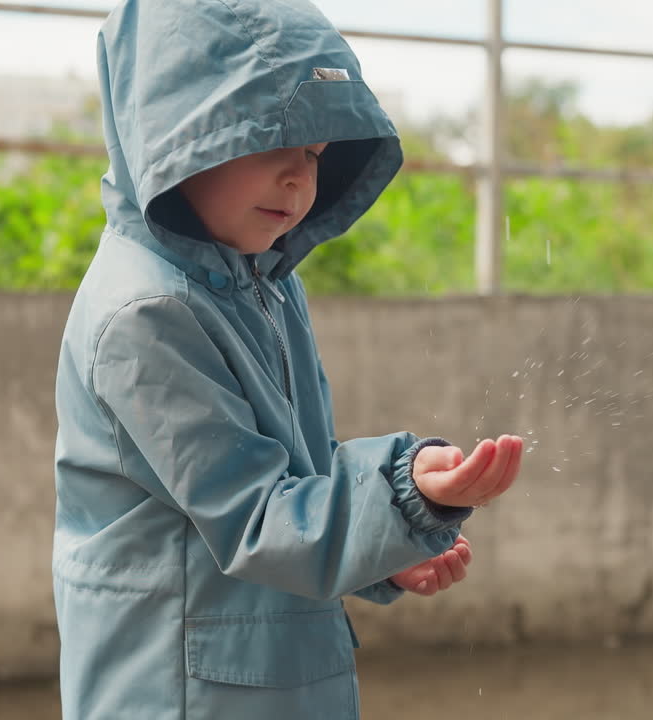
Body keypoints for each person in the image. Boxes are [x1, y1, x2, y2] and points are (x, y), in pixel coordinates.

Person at [52, 0, 524, 717]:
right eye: (268, 141)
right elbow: (256, 517)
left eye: (314, 154)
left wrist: (385, 549)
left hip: (264, 675)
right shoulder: (147, 314)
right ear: (176, 137)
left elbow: (295, 476)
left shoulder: (263, 280)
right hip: (182, 692)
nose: (298, 179)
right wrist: (406, 496)